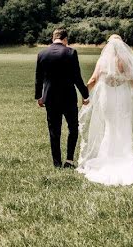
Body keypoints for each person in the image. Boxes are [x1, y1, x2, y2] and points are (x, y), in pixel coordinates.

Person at [77, 34, 133, 186]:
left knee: (110, 127)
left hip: (108, 98)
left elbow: (93, 80)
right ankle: (125, 158)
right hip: (123, 97)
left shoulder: (103, 61)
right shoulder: (124, 62)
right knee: (123, 126)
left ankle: (107, 158)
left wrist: (84, 95)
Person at [34, 27, 90, 169]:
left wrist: (39, 97)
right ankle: (69, 160)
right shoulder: (71, 52)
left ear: (53, 38)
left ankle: (57, 163)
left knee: (54, 130)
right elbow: (77, 77)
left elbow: (38, 78)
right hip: (68, 97)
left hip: (50, 97)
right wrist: (85, 95)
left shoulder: (42, 54)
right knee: (73, 128)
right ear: (65, 39)